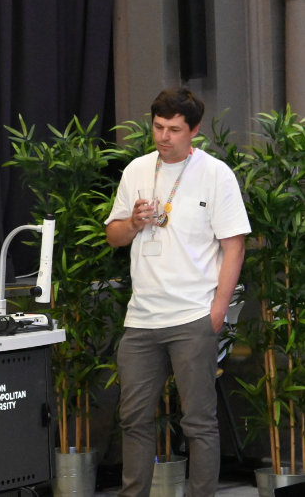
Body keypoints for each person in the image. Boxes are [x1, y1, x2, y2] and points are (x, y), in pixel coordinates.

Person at [104, 88, 250, 497]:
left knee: (198, 422)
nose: (163, 137)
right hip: (141, 319)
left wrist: (217, 310)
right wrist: (133, 223)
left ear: (194, 131)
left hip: (193, 317)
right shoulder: (136, 169)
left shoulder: (215, 174)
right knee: (133, 419)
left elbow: (234, 246)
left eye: (174, 129)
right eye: (158, 127)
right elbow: (113, 236)